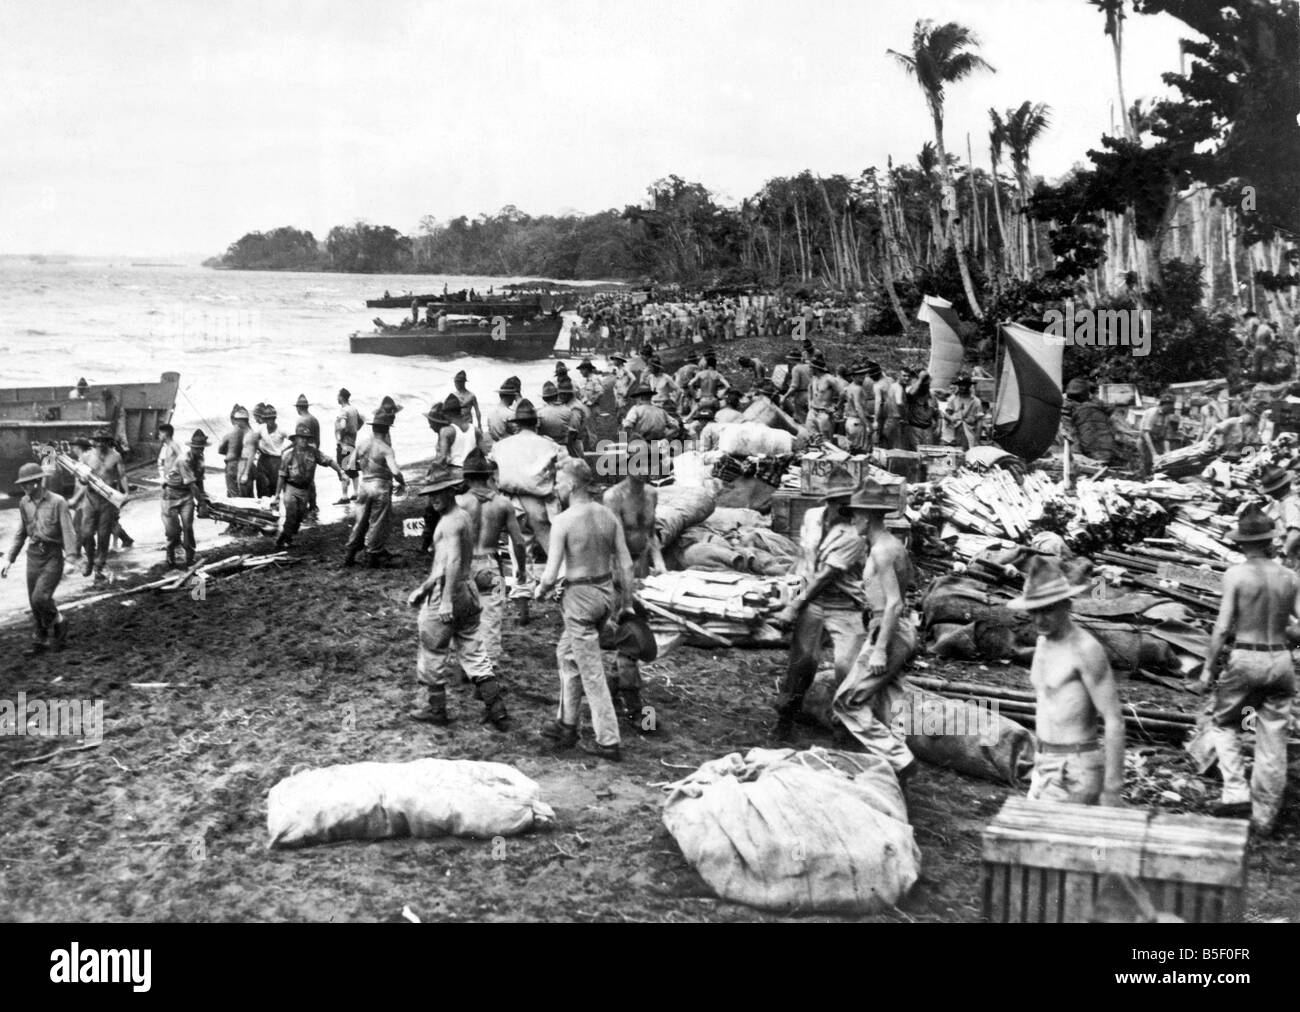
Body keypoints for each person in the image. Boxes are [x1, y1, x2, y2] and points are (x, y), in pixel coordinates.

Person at [1198, 505, 1298, 835]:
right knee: (1272, 737)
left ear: (1242, 543)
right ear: (1269, 540)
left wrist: (1208, 668)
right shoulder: (1290, 577)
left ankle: (1236, 792)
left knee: (1225, 722)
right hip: (1281, 661)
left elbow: (1223, 627)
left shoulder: (1236, 575)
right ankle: (1265, 817)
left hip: (1247, 657)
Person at [811, 482, 917, 775]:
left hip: (888, 631)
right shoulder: (893, 546)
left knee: (847, 702)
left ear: (867, 517)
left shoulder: (882, 551)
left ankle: (900, 760)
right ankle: (894, 764)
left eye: (855, 515)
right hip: (896, 628)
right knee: (890, 700)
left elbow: (894, 603)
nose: (851, 520)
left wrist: (880, 650)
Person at [535, 459, 636, 761]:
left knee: (591, 671)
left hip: (578, 597)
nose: (555, 487)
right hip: (605, 594)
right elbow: (627, 564)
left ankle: (608, 740)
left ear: (573, 484)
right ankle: (566, 723)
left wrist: (539, 591)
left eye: (559, 481)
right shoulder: (607, 515)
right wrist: (626, 603)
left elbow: (551, 574)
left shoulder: (563, 522)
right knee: (566, 655)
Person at [1007, 554, 1125, 806]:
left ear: (1066, 604)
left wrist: (1112, 788)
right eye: (1034, 611)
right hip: (1043, 762)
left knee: (1044, 842)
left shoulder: (1085, 649)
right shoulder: (1042, 641)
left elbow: (1114, 719)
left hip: (1074, 768)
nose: (1040, 620)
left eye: (1048, 610)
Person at [406, 463, 511, 730]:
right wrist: (425, 587)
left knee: (432, 651)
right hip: (468, 590)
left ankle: (435, 710)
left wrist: (445, 599)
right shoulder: (462, 516)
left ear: (451, 490)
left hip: (452, 591)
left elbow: (451, 560)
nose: (434, 498)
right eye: (431, 494)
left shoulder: (450, 522)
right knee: (474, 651)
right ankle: (496, 708)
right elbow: (445, 562)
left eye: (438, 492)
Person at [602, 441, 666, 728]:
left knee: (634, 638)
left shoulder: (653, 494)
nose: (646, 470)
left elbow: (651, 535)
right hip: (618, 570)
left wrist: (659, 565)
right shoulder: (612, 497)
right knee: (629, 638)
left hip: (641, 567)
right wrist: (626, 586)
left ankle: (611, 693)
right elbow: (617, 545)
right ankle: (638, 712)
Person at [457, 449, 527, 663]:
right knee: (491, 618)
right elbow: (519, 542)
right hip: (491, 566)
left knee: (463, 617)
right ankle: (489, 665)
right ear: (489, 476)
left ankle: (466, 663)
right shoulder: (503, 503)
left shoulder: (458, 502)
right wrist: (521, 571)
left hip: (464, 566)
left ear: (466, 477)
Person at [2, 462, 77, 653]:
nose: (25, 487)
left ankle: (59, 620)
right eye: (22, 484)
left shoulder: (58, 502)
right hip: (33, 555)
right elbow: (21, 533)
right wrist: (9, 559)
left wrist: (71, 559)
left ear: (39, 481)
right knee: (33, 601)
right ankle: (42, 638)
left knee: (40, 597)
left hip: (53, 555)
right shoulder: (24, 503)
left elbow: (68, 532)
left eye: (29, 483)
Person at [490, 399, 566, 561]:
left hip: (513, 501)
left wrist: (497, 487)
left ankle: (523, 584)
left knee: (519, 548)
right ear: (535, 423)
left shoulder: (501, 446)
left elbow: (489, 466)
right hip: (540, 500)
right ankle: (559, 581)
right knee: (553, 545)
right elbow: (565, 470)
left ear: (517, 424)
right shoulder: (549, 445)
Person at [344, 404, 406, 568]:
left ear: (373, 428)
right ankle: (373, 553)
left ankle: (350, 554)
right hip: (381, 485)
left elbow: (350, 464)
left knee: (360, 521)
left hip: (365, 484)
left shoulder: (362, 444)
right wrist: (402, 481)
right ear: (386, 429)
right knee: (378, 521)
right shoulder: (386, 449)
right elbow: (395, 471)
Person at [275, 421, 346, 549]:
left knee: (299, 516)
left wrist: (340, 471)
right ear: (295, 439)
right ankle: (284, 539)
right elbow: (282, 475)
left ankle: (286, 535)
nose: (303, 440)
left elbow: (329, 461)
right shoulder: (288, 455)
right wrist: (276, 495)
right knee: (291, 514)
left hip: (305, 490)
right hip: (291, 487)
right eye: (301, 438)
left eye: (306, 438)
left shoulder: (313, 452)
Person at [77, 428, 129, 582]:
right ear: (93, 442)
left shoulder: (115, 456)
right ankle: (90, 561)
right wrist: (83, 480)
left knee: (103, 534)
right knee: (86, 533)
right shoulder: (86, 457)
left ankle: (99, 566)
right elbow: (79, 477)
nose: (100, 444)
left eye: (103, 441)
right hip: (91, 499)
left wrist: (126, 494)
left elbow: (122, 475)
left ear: (108, 442)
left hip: (108, 500)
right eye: (97, 441)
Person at [158, 425, 210, 569]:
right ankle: (170, 552)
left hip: (186, 496)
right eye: (197, 448)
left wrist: (204, 497)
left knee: (188, 527)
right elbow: (193, 484)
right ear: (191, 447)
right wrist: (202, 504)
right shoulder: (183, 460)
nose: (199, 450)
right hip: (171, 495)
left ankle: (190, 557)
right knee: (172, 532)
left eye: (201, 448)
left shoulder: (200, 458)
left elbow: (199, 480)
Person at [1258, 465, 1300, 571]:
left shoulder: (1290, 504)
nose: (1269, 493)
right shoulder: (1287, 499)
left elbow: (1295, 532)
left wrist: (1283, 553)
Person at [246, 404, 288, 499]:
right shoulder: (261, 428)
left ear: (275, 418)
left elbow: (295, 440)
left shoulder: (281, 429)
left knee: (274, 487)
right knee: (262, 486)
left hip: (276, 461)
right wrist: (258, 448)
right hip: (263, 459)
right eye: (267, 419)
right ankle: (262, 509)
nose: (270, 421)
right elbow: (253, 441)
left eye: (272, 419)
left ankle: (273, 508)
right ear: (264, 419)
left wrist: (284, 450)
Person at [292, 393, 322, 515]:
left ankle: (304, 507)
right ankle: (313, 505)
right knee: (310, 480)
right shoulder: (314, 419)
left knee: (302, 480)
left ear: (298, 407)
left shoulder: (301, 420)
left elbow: (299, 440)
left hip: (304, 452)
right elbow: (318, 439)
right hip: (314, 450)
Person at [438, 393, 484, 468]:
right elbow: (483, 452)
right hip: (472, 470)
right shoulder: (476, 430)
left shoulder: (445, 431)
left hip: (455, 469)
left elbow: (443, 457)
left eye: (444, 414)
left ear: (448, 414)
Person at [1139, 393, 1178, 477]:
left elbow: (1166, 436)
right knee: (1146, 465)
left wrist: (1167, 451)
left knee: (1159, 465)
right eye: (1171, 405)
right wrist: (1154, 453)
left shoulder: (1167, 416)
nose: (1172, 407)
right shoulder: (1153, 412)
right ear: (1165, 404)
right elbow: (1146, 433)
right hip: (1145, 442)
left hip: (1157, 442)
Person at [335, 388, 364, 501]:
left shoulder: (343, 410)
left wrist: (340, 437)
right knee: (352, 468)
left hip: (344, 443)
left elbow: (342, 426)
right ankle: (356, 492)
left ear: (341, 397)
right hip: (352, 442)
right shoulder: (354, 409)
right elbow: (361, 421)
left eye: (338, 396)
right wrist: (355, 430)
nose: (337, 398)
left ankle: (344, 495)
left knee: (344, 469)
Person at [943, 375, 985, 451]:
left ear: (969, 386)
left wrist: (977, 439)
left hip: (969, 432)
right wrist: (950, 418)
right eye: (960, 385)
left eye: (964, 385)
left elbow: (980, 421)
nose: (961, 387)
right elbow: (947, 413)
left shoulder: (976, 402)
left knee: (968, 453)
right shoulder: (953, 399)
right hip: (954, 432)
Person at [218, 405, 253, 498]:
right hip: (247, 466)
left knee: (234, 496)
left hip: (233, 465)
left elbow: (220, 450)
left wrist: (230, 450)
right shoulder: (250, 433)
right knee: (247, 495)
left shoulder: (230, 433)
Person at [805, 354, 840, 438]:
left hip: (824, 412)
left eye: (811, 367)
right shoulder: (814, 378)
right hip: (813, 411)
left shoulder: (829, 379)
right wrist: (809, 401)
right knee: (812, 436)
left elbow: (842, 393)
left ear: (815, 368)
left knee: (826, 439)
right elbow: (809, 388)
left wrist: (836, 407)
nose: (809, 369)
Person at [844, 365, 872, 453]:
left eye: (863, 374)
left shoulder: (849, 386)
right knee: (861, 452)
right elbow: (858, 408)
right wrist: (867, 425)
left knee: (852, 450)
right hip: (857, 422)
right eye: (859, 375)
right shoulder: (857, 389)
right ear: (853, 376)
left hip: (850, 421)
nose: (862, 377)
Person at [485, 376, 520, 443]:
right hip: (508, 444)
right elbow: (517, 434)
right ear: (511, 397)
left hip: (496, 444)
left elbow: (491, 432)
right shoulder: (511, 414)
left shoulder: (491, 413)